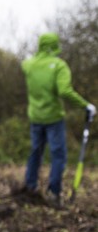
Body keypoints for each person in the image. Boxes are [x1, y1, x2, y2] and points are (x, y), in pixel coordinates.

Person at [21, 32, 95, 206]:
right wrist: (85, 105)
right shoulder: (60, 65)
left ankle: (30, 186)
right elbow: (64, 91)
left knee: (35, 151)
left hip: (35, 116)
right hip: (53, 117)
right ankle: (54, 193)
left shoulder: (29, 65)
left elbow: (24, 63)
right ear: (55, 46)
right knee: (58, 154)